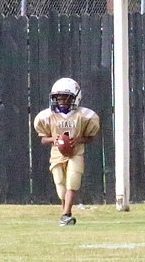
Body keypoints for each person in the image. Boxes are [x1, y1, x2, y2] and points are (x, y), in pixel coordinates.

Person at [33, 77, 101, 226]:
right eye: (58, 97)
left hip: (76, 152)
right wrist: (54, 140)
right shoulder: (46, 117)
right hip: (57, 154)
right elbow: (43, 139)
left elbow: (90, 138)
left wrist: (77, 140)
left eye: (66, 97)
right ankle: (65, 214)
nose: (62, 100)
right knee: (60, 186)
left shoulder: (85, 116)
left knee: (73, 181)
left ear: (75, 97)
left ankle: (66, 213)